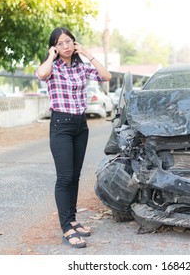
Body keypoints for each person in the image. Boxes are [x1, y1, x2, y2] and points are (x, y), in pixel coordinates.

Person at [36, 27, 112, 248]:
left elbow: (106, 76)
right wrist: (51, 56)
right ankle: (66, 227)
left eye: (68, 41)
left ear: (74, 43)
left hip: (80, 124)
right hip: (61, 125)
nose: (66, 46)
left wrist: (88, 54)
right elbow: (41, 75)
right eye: (60, 43)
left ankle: (72, 219)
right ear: (54, 47)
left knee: (75, 176)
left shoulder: (81, 67)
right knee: (65, 177)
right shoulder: (52, 67)